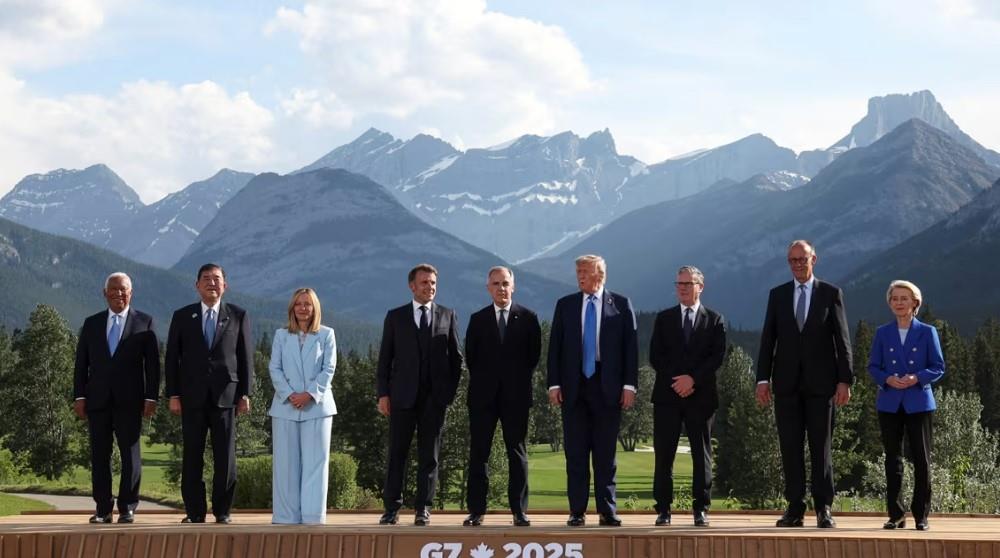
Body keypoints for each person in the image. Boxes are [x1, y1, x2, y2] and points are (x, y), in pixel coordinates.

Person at [756, 240, 853, 528]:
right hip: (785, 385)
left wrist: (845, 380)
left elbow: (843, 340)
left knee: (820, 448)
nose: (797, 264)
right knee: (790, 447)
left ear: (814, 259)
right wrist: (763, 378)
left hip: (822, 385)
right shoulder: (778, 295)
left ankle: (824, 508)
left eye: (802, 259)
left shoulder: (831, 293)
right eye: (792, 260)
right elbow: (767, 340)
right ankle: (794, 508)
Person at [548, 254, 638, 527]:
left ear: (600, 275)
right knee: (575, 453)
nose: (580, 276)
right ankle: (577, 511)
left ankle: (607, 510)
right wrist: (554, 384)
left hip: (607, 387)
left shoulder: (621, 304)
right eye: (578, 271)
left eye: (585, 271)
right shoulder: (565, 305)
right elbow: (555, 349)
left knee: (605, 454)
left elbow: (630, 349)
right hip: (574, 387)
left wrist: (629, 385)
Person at [165, 263, 254, 524]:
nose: (211, 283)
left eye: (216, 279)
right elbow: (172, 358)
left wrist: (245, 394)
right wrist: (173, 393)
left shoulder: (238, 315)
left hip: (226, 395)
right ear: (197, 285)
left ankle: (222, 511)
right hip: (191, 397)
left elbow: (245, 357)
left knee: (225, 457)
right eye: (206, 278)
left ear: (225, 285)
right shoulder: (182, 316)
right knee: (192, 455)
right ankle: (194, 512)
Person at [376, 263, 463, 526]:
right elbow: (384, 360)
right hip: (401, 397)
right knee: (397, 455)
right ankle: (392, 508)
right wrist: (383, 394)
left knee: (430, 456)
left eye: (433, 283)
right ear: (412, 286)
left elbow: (457, 359)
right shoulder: (395, 317)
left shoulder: (448, 315)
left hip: (434, 400)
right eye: (425, 283)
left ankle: (423, 508)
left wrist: (448, 393)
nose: (430, 287)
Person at [73, 272, 160, 524]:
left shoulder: (145, 322)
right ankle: (102, 509)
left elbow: (153, 367)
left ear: (131, 293)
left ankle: (127, 507)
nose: (118, 293)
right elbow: (81, 364)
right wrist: (79, 395)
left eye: (123, 289)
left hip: (131, 401)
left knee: (130, 455)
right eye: (113, 289)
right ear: (104, 293)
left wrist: (151, 397)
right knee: (99, 455)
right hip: (97, 400)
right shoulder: (91, 324)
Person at [463, 266, 541, 527]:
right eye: (495, 284)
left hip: (516, 397)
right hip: (483, 398)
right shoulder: (477, 319)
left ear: (513, 286)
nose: (501, 288)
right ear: (488, 288)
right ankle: (476, 511)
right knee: (479, 454)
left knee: (517, 454)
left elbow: (533, 358)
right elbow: (471, 358)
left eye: (505, 283)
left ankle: (519, 511)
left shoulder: (528, 318)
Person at [648, 266, 726, 527]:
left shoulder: (715, 320)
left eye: (687, 284)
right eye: (678, 283)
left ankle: (701, 509)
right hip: (667, 397)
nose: (682, 288)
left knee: (701, 454)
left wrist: (692, 379)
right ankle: (663, 510)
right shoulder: (664, 318)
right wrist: (678, 381)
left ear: (700, 287)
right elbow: (656, 356)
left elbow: (716, 357)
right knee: (664, 455)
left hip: (701, 397)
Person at [868, 280, 944, 531]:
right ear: (890, 303)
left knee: (921, 459)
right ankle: (896, 514)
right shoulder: (882, 332)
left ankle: (921, 515)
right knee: (893, 459)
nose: (899, 303)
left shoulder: (927, 331)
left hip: (919, 402)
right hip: (889, 402)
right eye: (895, 298)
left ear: (915, 303)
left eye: (904, 298)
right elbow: (873, 366)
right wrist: (887, 378)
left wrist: (916, 378)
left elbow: (938, 366)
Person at [268, 288, 337, 524]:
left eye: (308, 304)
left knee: (316, 464)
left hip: (317, 407)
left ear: (315, 308)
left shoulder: (327, 334)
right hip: (285, 407)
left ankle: (313, 516)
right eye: (298, 304)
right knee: (285, 465)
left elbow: (329, 369)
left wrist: (308, 394)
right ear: (292, 308)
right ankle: (285, 516)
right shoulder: (281, 335)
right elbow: (274, 368)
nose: (303, 308)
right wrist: (290, 395)